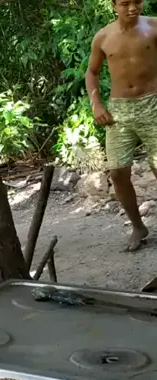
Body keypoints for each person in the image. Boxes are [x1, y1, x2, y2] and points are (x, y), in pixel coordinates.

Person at [87, 0, 157, 252]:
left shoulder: (154, 27)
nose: (132, 8)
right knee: (117, 172)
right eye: (125, 3)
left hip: (153, 104)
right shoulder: (103, 37)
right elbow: (92, 72)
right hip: (119, 110)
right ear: (114, 5)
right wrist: (96, 104)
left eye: (137, 1)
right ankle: (138, 226)